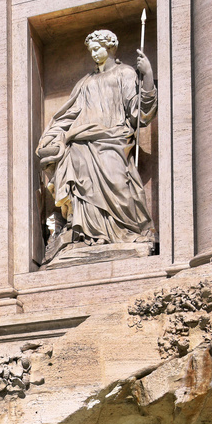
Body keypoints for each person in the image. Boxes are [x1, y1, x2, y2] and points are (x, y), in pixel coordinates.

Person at [35, 28, 157, 259]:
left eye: (98, 48)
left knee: (119, 183)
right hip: (81, 143)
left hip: (113, 138)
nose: (94, 53)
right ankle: (88, 236)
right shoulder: (84, 82)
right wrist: (52, 137)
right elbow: (68, 115)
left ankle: (126, 230)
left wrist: (148, 75)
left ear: (111, 48)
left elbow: (139, 112)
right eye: (90, 49)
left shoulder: (125, 73)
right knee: (82, 189)